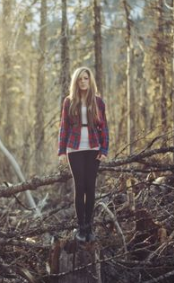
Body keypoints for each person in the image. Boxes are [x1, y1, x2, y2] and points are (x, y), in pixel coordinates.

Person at [58, 66, 109, 242]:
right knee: (79, 187)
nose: (83, 81)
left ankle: (90, 228)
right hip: (75, 148)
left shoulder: (98, 102)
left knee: (91, 187)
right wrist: (61, 151)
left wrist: (104, 149)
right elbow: (64, 127)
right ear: (76, 82)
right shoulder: (69, 101)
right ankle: (81, 228)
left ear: (90, 80)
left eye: (86, 78)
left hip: (93, 147)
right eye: (80, 79)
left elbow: (104, 127)